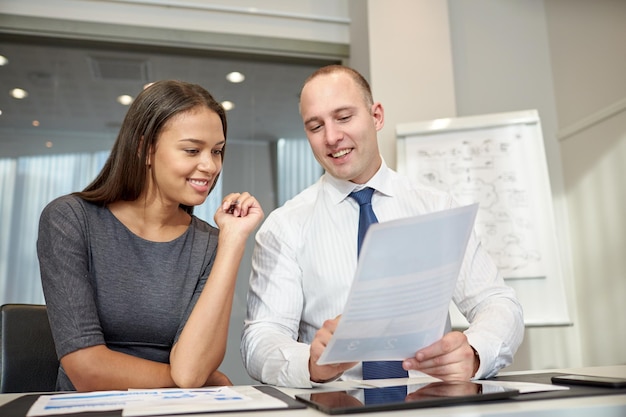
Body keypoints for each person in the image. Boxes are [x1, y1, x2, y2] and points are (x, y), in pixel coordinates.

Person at [241, 65, 523, 388]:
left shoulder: (437, 208)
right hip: (335, 407)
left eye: (344, 117)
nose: (331, 137)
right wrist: (308, 362)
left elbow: (499, 303)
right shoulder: (285, 226)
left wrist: (475, 351)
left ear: (376, 116)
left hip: (432, 405)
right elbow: (259, 338)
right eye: (315, 126)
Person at [37, 80, 264, 392]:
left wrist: (233, 240)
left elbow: (191, 372)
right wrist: (198, 383)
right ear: (145, 148)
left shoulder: (210, 242)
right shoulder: (70, 219)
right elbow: (87, 370)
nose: (210, 165)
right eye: (192, 150)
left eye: (217, 151)